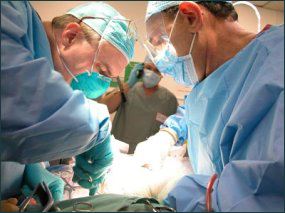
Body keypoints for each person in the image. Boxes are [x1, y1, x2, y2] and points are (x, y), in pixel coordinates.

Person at [133, 1, 284, 212]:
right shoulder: (213, 75)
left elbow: (259, 195)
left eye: (160, 41)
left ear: (191, 17)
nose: (159, 60)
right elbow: (205, 111)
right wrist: (169, 133)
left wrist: (177, 193)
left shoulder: (276, 67)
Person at [1, 1, 136, 202]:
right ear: (70, 36)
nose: (101, 84)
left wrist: (29, 166)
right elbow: (15, 107)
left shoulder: (49, 72)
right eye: (101, 70)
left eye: (109, 78)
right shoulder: (10, 10)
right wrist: (99, 130)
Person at [99, 60, 178, 153]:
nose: (151, 72)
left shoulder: (169, 100)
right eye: (148, 68)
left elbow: (173, 131)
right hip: (118, 150)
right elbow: (105, 108)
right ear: (141, 69)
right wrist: (129, 83)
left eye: (157, 70)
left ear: (162, 74)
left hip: (148, 155)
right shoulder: (127, 89)